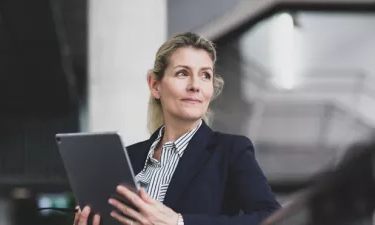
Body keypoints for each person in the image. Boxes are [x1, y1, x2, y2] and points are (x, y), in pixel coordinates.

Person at [74, 32, 281, 225]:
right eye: (182, 73)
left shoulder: (230, 151)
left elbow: (273, 218)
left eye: (205, 75)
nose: (195, 85)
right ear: (155, 85)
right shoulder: (128, 157)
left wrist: (179, 222)